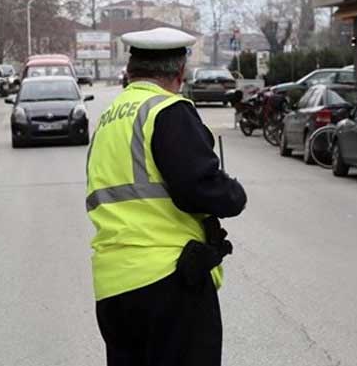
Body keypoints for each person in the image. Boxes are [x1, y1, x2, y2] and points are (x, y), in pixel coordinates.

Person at [86, 27, 247, 366]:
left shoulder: (108, 121)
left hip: (113, 287)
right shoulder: (167, 110)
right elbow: (198, 187)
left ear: (131, 71)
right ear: (180, 72)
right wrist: (233, 193)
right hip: (168, 280)